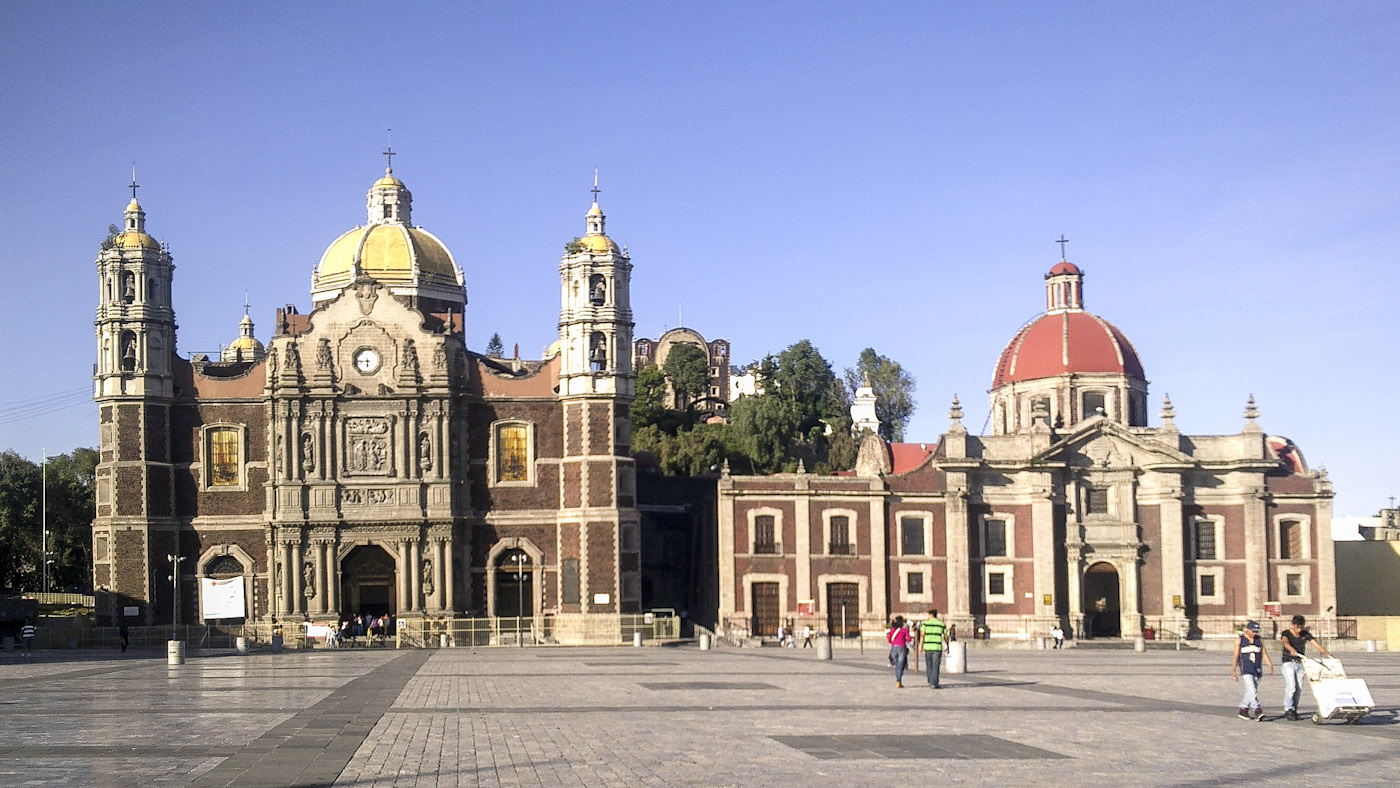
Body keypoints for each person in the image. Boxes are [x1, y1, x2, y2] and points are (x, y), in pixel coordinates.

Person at [1279, 614, 1331, 720]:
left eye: (1301, 627)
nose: (1299, 630)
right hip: (1288, 662)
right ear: (1292, 625)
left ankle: (1294, 709)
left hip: (1300, 663)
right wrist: (1291, 649)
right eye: (1297, 627)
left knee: (1299, 688)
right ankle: (1288, 708)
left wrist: (1324, 651)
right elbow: (1285, 642)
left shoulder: (1305, 634)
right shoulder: (1286, 633)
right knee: (1291, 686)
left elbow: (1314, 643)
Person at [1231, 620, 1274, 720]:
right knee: (1251, 689)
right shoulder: (1240, 640)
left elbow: (1263, 653)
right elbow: (1236, 655)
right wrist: (1233, 670)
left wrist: (1269, 664)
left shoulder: (1259, 640)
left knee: (1251, 691)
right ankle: (1257, 710)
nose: (1255, 633)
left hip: (1257, 668)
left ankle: (1243, 709)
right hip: (1246, 669)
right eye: (1253, 631)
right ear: (1247, 630)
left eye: (1256, 631)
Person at [922, 609, 947, 688]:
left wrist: (920, 645)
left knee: (929, 665)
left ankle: (930, 681)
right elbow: (946, 636)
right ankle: (934, 683)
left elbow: (922, 635)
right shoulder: (941, 624)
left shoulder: (925, 624)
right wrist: (947, 645)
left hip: (927, 647)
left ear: (930, 615)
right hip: (937, 647)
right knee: (935, 666)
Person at [887, 616, 912, 688]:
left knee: (897, 664)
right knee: (900, 665)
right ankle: (899, 680)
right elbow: (909, 639)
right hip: (901, 647)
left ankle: (898, 680)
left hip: (894, 648)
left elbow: (889, 639)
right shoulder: (904, 630)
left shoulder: (892, 630)